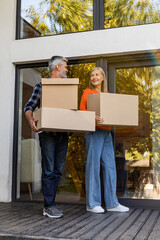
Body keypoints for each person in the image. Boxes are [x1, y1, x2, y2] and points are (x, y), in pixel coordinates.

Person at [80, 67, 129, 213]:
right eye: (92, 75)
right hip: (94, 132)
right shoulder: (87, 92)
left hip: (107, 132)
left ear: (102, 78)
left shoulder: (107, 95)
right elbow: (81, 111)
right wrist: (92, 117)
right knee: (93, 167)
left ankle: (112, 203)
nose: (94, 77)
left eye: (97, 75)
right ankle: (92, 203)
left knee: (110, 167)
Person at [24, 56, 69, 218]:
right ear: (57, 67)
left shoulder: (67, 88)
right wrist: (31, 122)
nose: (66, 70)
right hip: (48, 135)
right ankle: (49, 205)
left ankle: (52, 202)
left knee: (57, 171)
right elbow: (29, 107)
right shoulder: (42, 86)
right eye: (65, 67)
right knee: (49, 170)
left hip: (63, 134)